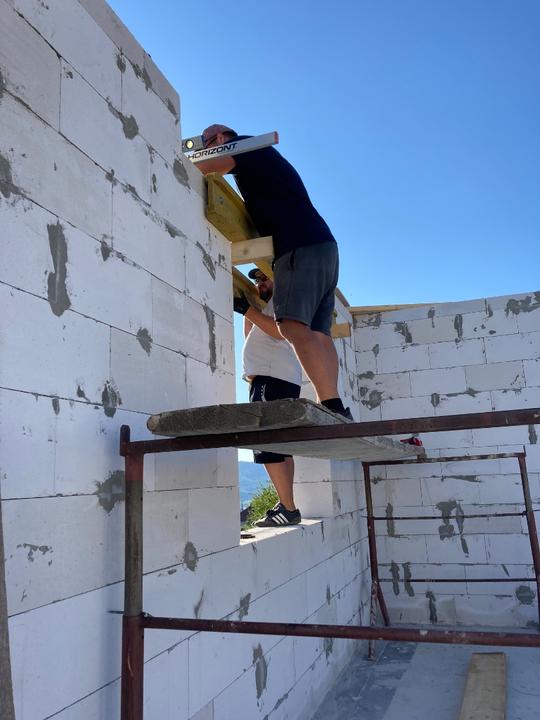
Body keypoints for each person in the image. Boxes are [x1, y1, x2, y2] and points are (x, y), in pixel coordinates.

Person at [197, 124, 352, 420]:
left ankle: (331, 405)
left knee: (291, 326)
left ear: (221, 139)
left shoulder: (245, 147)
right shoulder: (261, 159)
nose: (206, 150)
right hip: (323, 246)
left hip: (298, 244)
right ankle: (336, 406)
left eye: (207, 144)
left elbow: (205, 167)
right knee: (319, 333)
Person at [236, 268, 303, 527]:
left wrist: (247, 309)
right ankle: (287, 504)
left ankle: (289, 508)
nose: (259, 283)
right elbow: (252, 338)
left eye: (264, 278)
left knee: (265, 442)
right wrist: (251, 310)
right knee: (281, 445)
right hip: (276, 379)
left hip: (271, 379)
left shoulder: (284, 297)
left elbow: (278, 331)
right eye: (257, 280)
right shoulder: (272, 306)